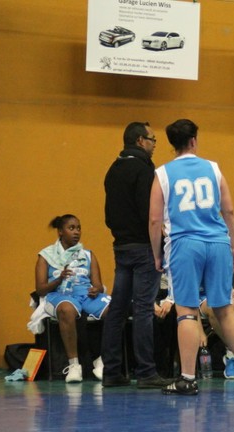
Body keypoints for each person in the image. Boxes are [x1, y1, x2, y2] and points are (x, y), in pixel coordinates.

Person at [149, 118, 234, 395]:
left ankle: (187, 378)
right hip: (218, 242)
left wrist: (157, 254)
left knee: (186, 311)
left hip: (185, 243)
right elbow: (229, 210)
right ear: (194, 141)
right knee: (224, 308)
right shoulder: (213, 168)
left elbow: (154, 220)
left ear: (172, 144)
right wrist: (233, 245)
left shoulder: (162, 173)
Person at [101, 121, 173, 389]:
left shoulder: (113, 169)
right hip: (144, 248)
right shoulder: (144, 170)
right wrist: (159, 245)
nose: (155, 145)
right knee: (143, 309)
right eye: (153, 140)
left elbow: (109, 215)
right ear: (140, 140)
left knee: (118, 309)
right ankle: (146, 372)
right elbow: (150, 214)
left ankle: (112, 371)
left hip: (121, 247)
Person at [35, 214, 110, 383]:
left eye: (78, 228)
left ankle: (102, 360)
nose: (76, 232)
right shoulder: (45, 256)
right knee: (66, 310)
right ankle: (74, 365)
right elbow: (40, 289)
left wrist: (96, 290)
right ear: (60, 232)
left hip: (85, 295)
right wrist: (59, 279)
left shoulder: (88, 255)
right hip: (60, 295)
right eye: (71, 228)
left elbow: (98, 285)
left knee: (116, 309)